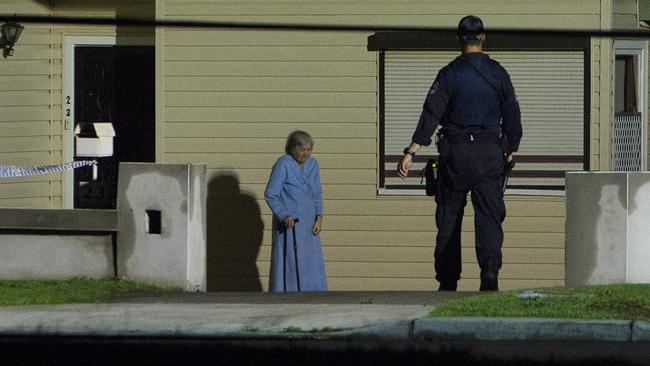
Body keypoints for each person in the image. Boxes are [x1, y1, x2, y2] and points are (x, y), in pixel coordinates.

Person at [397, 15, 522, 291]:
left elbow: (431, 113)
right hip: (490, 155)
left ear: (459, 38)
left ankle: (448, 281)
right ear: (483, 37)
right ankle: (489, 275)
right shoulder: (498, 73)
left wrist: (412, 151)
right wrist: (511, 149)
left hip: (456, 157)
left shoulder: (449, 74)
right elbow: (513, 115)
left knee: (449, 219)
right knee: (489, 218)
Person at [265, 130, 328, 292]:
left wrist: (319, 217)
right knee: (290, 262)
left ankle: (313, 296)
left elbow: (317, 192)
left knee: (311, 262)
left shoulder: (313, 164)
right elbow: (271, 194)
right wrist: (283, 214)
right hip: (290, 224)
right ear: (292, 149)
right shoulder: (283, 164)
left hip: (309, 224)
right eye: (302, 149)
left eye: (308, 149)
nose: (305, 154)